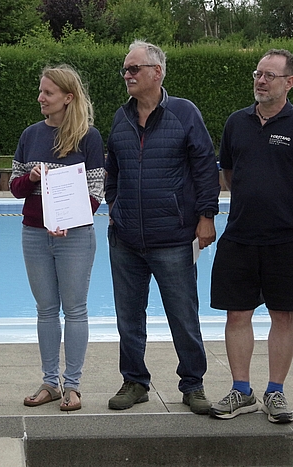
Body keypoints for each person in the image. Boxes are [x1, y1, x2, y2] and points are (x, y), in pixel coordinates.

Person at [209, 49, 293, 424]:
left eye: (270, 76)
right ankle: (240, 390)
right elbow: (229, 173)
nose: (261, 81)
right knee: (237, 314)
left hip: (288, 239)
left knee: (283, 314)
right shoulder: (236, 123)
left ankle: (275, 391)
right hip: (240, 235)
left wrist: (292, 214)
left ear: (289, 82)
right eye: (258, 74)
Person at [104, 40, 220, 415]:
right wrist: (114, 206)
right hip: (125, 239)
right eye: (125, 69)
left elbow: (205, 167)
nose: (127, 74)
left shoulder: (184, 113)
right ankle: (135, 381)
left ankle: (193, 384)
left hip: (172, 237)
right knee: (128, 317)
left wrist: (206, 216)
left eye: (134, 69)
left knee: (183, 315)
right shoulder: (120, 118)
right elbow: (113, 171)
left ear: (157, 72)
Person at [10, 65, 104, 412]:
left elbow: (96, 191)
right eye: (40, 91)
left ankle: (73, 385)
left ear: (68, 97)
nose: (40, 98)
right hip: (34, 233)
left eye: (47, 93)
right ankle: (50, 382)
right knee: (46, 310)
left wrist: (69, 219)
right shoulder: (30, 134)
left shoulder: (88, 137)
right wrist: (32, 177)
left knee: (75, 310)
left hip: (75, 236)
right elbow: (14, 187)